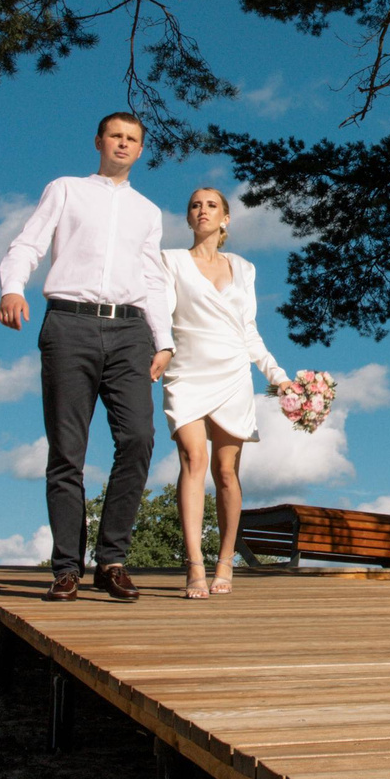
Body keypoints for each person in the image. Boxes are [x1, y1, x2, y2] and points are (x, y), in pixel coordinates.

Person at [0, 112, 175, 602]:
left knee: (138, 438)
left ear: (140, 150)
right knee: (67, 451)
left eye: (132, 139)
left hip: (129, 331)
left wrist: (163, 340)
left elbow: (153, 278)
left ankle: (112, 560)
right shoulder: (66, 189)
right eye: (115, 136)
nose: (123, 144)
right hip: (68, 325)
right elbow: (28, 244)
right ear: (99, 141)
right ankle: (67, 568)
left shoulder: (148, 211)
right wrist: (13, 288)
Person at [162, 187, 292, 598]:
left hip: (233, 373)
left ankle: (224, 561)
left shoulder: (244, 268)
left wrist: (278, 375)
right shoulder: (171, 261)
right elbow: (160, 316)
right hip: (186, 371)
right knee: (193, 459)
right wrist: (157, 351)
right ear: (188, 218)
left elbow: (248, 329)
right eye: (195, 205)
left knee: (225, 472)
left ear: (226, 219)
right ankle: (194, 565)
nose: (203, 210)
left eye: (211, 205)